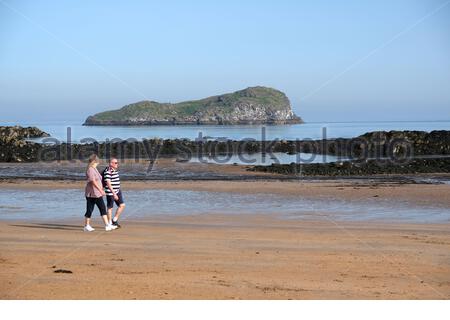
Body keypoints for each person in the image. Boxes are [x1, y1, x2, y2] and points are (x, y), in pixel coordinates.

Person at [84, 154, 118, 232]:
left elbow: (99, 179)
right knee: (90, 210)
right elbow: (93, 181)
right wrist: (100, 190)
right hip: (92, 194)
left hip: (97, 193)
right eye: (97, 161)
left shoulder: (94, 168)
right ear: (94, 161)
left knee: (102, 208)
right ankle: (87, 226)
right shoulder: (90, 169)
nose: (98, 163)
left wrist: (102, 187)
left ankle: (107, 225)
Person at [103, 157, 126, 228]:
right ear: (111, 163)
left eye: (117, 162)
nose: (117, 164)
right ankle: (109, 223)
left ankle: (114, 220)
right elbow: (108, 183)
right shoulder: (107, 171)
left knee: (122, 205)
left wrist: (117, 191)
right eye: (115, 163)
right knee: (110, 208)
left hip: (117, 191)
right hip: (111, 192)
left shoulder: (114, 170)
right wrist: (114, 193)